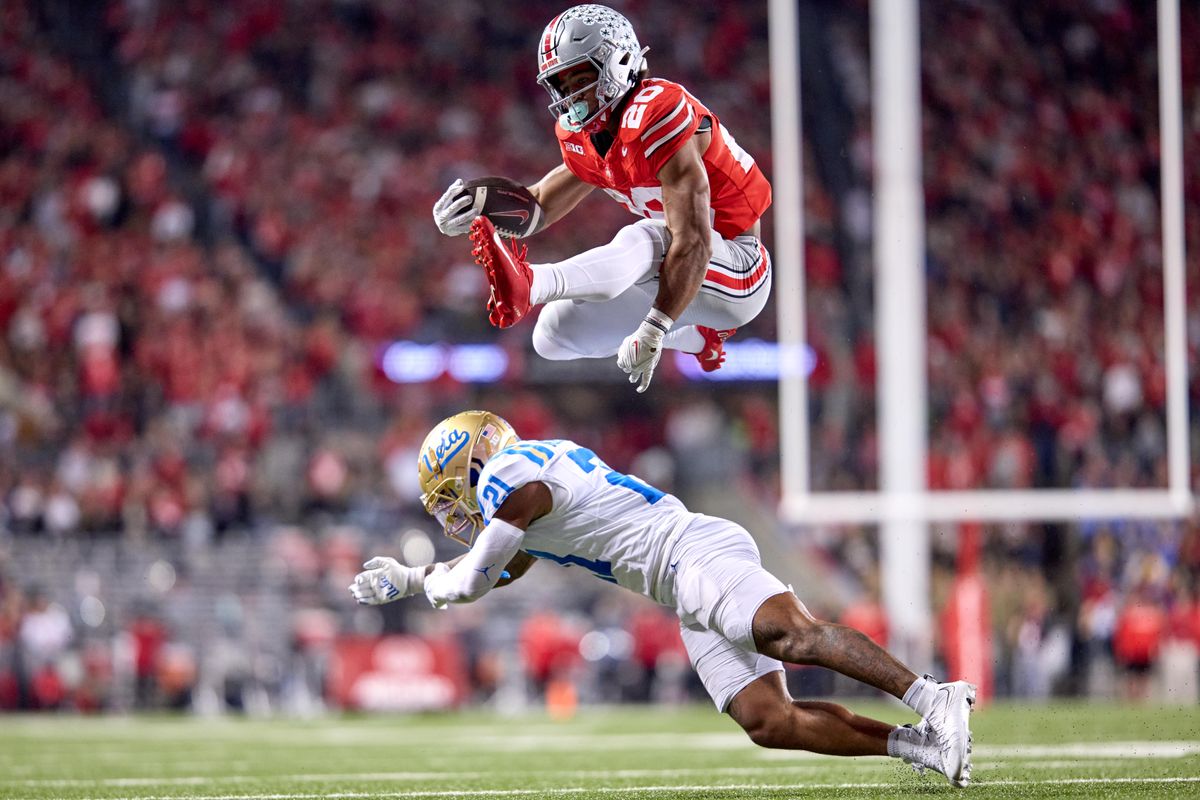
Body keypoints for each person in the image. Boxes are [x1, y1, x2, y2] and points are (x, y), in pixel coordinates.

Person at [350, 411, 976, 787]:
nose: (452, 510)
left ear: (474, 461)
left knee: (792, 635)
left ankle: (933, 696)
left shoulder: (511, 476)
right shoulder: (525, 487)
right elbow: (504, 567)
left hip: (688, 551)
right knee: (767, 721)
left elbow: (473, 581)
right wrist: (430, 576)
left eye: (449, 491)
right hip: (677, 580)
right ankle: (920, 745)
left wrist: (410, 581)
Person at [432, 4, 772, 392]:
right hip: (675, 274)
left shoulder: (658, 109)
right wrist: (473, 204)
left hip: (738, 269)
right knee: (552, 336)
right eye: (561, 84)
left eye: (580, 78)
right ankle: (699, 338)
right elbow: (537, 205)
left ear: (620, 61)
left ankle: (535, 282)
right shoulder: (588, 136)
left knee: (647, 236)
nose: (570, 96)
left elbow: (692, 240)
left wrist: (654, 327)